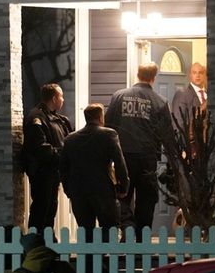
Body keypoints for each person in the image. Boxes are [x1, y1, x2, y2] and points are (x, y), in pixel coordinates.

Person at [105, 62, 175, 240]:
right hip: (147, 158)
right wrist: (172, 163)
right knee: (147, 199)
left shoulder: (119, 96)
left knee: (121, 195)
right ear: (154, 77)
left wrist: (108, 156)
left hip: (123, 156)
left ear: (137, 74)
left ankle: (127, 229)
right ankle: (141, 238)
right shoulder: (160, 101)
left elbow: (108, 126)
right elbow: (167, 135)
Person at [60, 103, 129, 242]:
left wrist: (68, 190)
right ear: (100, 117)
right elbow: (120, 162)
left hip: (79, 191)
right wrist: (124, 185)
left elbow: (63, 168)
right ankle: (105, 259)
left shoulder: (70, 139)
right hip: (103, 189)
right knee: (109, 227)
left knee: (85, 231)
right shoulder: (109, 134)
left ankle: (89, 261)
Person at [22, 83, 73, 233]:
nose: (63, 99)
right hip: (42, 172)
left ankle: (47, 241)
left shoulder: (59, 119)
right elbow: (40, 147)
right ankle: (36, 244)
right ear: (53, 98)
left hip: (54, 171)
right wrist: (62, 155)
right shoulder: (36, 118)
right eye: (61, 96)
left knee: (51, 207)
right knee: (41, 207)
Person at [171, 62, 208, 141]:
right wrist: (182, 148)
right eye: (194, 73)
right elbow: (178, 123)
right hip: (190, 144)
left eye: (200, 73)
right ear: (190, 75)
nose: (197, 76)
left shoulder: (209, 95)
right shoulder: (182, 94)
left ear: (205, 75)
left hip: (210, 145)